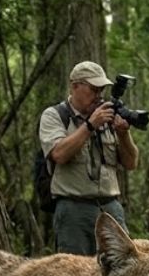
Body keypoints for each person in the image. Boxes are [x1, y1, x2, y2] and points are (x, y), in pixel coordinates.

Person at [39, 61, 139, 256]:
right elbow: (59, 154)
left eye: (101, 90)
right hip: (74, 209)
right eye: (93, 89)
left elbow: (131, 163)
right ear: (75, 86)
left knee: (122, 268)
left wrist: (123, 134)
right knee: (73, 275)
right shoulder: (55, 116)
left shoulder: (107, 117)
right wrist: (90, 125)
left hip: (111, 207)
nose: (98, 96)